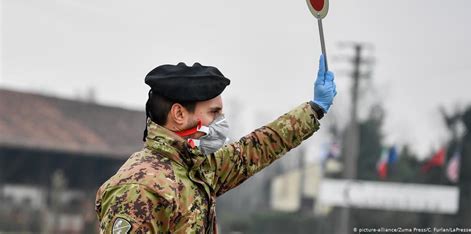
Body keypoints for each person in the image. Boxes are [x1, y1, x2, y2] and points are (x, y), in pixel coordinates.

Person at [95, 55, 336, 233]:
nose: (220, 122)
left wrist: (314, 110)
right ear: (179, 114)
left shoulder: (196, 169)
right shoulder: (140, 186)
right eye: (214, 112)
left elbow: (256, 149)